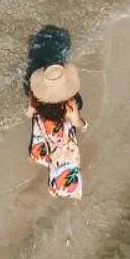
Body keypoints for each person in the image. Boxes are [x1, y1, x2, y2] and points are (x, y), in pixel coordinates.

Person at [27, 62, 85, 199]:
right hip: (62, 149)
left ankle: (39, 155)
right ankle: (59, 187)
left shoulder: (37, 101)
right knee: (67, 160)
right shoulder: (68, 106)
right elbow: (77, 123)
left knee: (42, 126)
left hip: (45, 138)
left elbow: (28, 113)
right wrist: (84, 124)